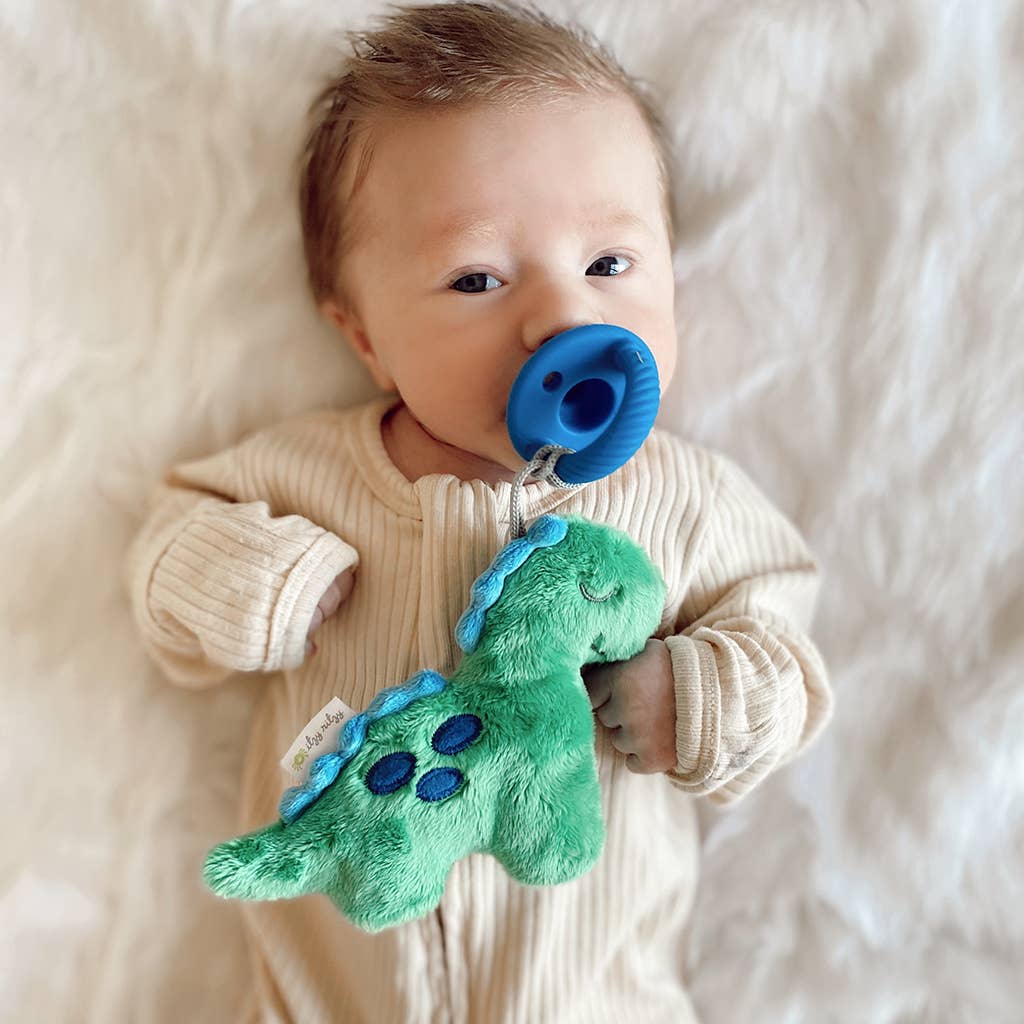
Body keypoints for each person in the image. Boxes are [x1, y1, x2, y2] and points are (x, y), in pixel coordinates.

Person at [124, 3, 833, 1021]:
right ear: (362, 334)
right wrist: (242, 578)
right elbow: (164, 551)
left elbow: (788, 664)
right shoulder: (308, 474)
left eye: (608, 264)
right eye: (477, 277)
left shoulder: (686, 501)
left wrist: (701, 699)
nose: (561, 318)